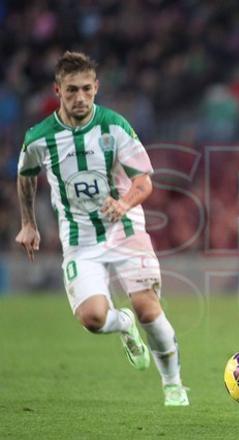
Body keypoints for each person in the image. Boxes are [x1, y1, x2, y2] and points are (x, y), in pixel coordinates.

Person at [15, 52, 188, 406]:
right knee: (93, 318)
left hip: (125, 229)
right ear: (57, 90)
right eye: (71, 90)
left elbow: (144, 183)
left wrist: (123, 204)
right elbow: (25, 176)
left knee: (148, 309)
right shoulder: (39, 138)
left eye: (86, 90)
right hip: (79, 239)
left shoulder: (115, 126)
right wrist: (28, 223)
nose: (80, 98)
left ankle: (173, 384)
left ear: (97, 88)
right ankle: (122, 323)